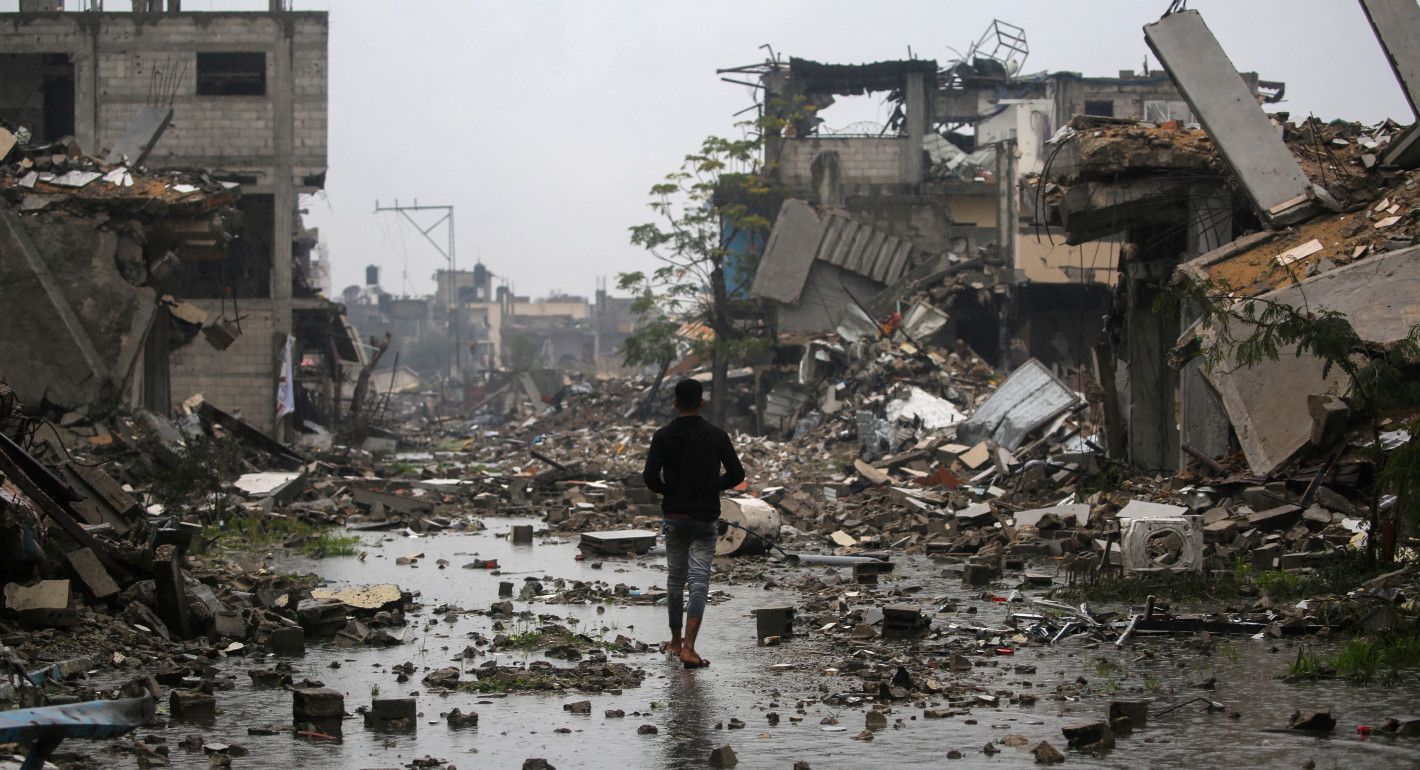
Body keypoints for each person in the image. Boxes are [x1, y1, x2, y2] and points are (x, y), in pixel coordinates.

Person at [642, 378, 745, 669]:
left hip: (675, 517)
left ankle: (674, 642)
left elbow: (650, 476)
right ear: (701, 403)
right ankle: (689, 648)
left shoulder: (662, 436)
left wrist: (670, 491)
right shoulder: (717, 436)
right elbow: (737, 473)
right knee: (698, 582)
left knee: (675, 580)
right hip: (705, 518)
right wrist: (713, 486)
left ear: (675, 404)